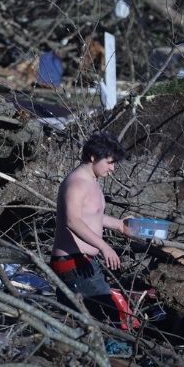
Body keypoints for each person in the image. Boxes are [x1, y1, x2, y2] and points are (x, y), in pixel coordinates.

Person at [50, 131, 140, 330]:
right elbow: (72, 221)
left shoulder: (92, 181)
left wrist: (119, 225)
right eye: (109, 162)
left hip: (83, 262)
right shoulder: (76, 182)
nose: (113, 168)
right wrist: (104, 247)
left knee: (81, 321)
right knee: (108, 319)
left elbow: (91, 217)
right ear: (92, 157)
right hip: (73, 263)